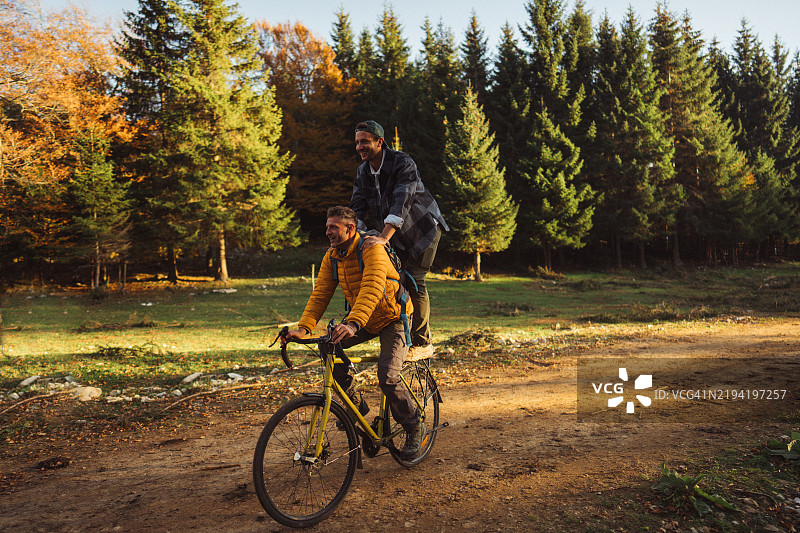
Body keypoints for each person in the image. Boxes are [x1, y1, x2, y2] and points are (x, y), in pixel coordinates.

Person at [281, 206, 426, 457]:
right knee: (327, 345)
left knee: (388, 375)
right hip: (364, 319)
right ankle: (355, 404)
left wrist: (352, 324)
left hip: (394, 318)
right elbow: (321, 294)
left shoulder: (372, 249)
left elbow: (371, 288)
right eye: (327, 226)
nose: (327, 232)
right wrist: (303, 328)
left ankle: (414, 426)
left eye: (333, 227)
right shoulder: (333, 256)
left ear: (350, 228)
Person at [351, 120, 449, 360]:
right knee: (395, 282)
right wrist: (352, 236)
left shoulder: (402, 163)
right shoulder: (363, 171)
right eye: (356, 142)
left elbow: (401, 201)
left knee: (415, 281)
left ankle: (423, 343)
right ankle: (399, 339)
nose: (359, 147)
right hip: (395, 235)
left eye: (364, 141)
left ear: (379, 142)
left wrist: (383, 237)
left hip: (422, 229)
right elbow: (356, 208)